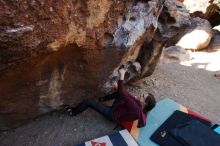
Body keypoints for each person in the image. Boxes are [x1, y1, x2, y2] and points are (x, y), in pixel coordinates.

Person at [64, 68, 156, 128]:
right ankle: (101, 99)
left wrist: (122, 75)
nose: (141, 94)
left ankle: (73, 112)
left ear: (145, 103)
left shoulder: (137, 108)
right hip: (119, 109)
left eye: (143, 96)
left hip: (112, 114)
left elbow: (124, 94)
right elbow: (126, 96)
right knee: (121, 93)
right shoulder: (142, 109)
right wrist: (119, 88)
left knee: (88, 102)